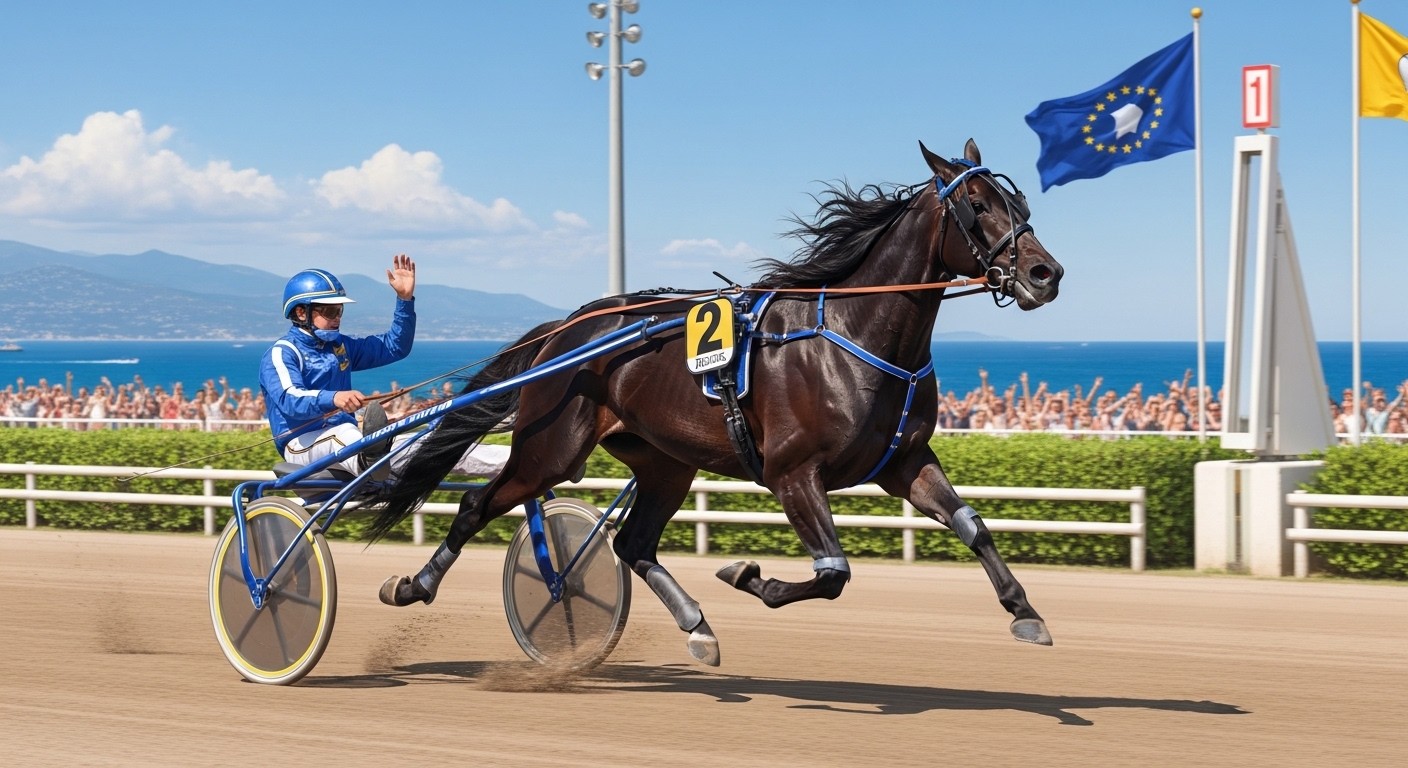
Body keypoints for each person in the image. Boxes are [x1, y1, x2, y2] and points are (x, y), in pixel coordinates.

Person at [260, 256, 417, 477]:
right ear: (301, 312)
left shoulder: (341, 345)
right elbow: (290, 399)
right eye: (330, 311)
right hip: (300, 443)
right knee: (343, 433)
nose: (337, 318)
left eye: (339, 310)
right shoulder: (282, 353)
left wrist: (405, 299)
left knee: (420, 439)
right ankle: (372, 468)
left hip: (346, 439)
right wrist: (334, 398)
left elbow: (394, 347)